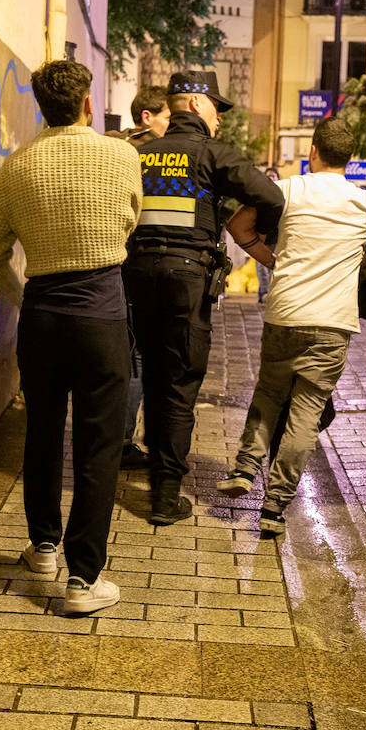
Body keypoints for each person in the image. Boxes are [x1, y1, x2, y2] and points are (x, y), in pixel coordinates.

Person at [0, 60, 142, 615]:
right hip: (103, 318)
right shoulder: (121, 156)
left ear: (41, 108)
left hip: (42, 319)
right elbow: (130, 221)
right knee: (98, 447)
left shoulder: (17, 168)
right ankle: (83, 579)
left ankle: (42, 547)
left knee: (43, 432)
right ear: (88, 104)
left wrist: (23, 295)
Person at [124, 70, 284, 525]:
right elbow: (271, 195)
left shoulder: (140, 153)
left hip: (137, 275)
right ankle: (164, 495)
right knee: (178, 385)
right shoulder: (213, 153)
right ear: (195, 104)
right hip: (187, 279)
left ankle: (158, 477)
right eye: (217, 108)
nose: (220, 119)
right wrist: (246, 228)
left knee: (151, 377)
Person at [217, 117, 366, 534]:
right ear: (350, 159)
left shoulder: (287, 189)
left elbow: (238, 226)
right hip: (334, 321)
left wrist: (271, 260)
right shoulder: (363, 204)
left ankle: (246, 469)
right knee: (305, 415)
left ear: (313, 151)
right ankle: (274, 508)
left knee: (269, 392)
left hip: (286, 312)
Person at [117, 86, 174, 471]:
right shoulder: (142, 153)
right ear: (147, 117)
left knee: (125, 354)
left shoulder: (116, 147)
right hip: (137, 265)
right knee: (137, 356)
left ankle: (112, 438)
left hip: (115, 265)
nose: (173, 126)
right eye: (168, 118)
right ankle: (121, 442)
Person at [255, 166, 280, 303]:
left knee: (272, 269)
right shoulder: (259, 195)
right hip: (261, 239)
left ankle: (267, 295)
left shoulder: (283, 195)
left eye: (273, 176)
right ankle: (263, 295)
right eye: (268, 176)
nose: (270, 178)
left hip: (276, 239)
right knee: (261, 270)